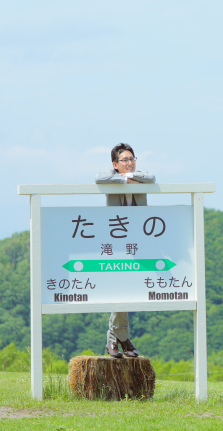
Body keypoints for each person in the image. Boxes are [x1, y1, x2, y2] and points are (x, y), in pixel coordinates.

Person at [95, 142, 156, 358]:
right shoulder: (112, 177)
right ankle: (120, 339)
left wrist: (131, 176)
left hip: (137, 238)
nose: (130, 163)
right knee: (120, 285)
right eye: (125, 160)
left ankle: (116, 339)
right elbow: (99, 178)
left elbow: (152, 178)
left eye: (132, 159)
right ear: (115, 164)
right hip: (116, 239)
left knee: (127, 286)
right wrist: (123, 179)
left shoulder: (139, 176)